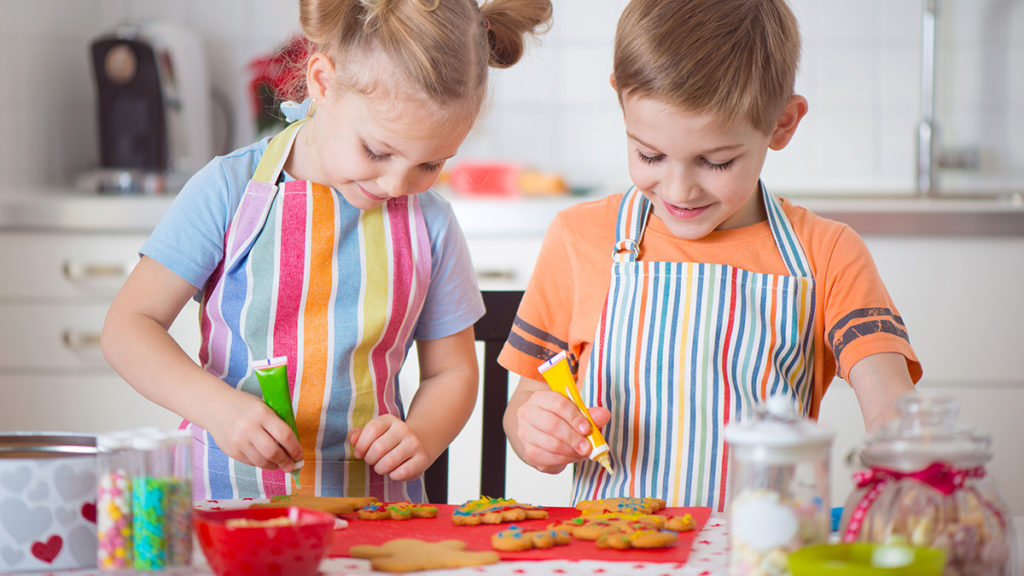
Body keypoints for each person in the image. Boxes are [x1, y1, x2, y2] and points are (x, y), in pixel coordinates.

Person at [102, 0, 553, 501]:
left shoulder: (432, 222)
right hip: (227, 499)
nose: (396, 184)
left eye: (430, 164)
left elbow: (452, 372)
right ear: (322, 82)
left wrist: (422, 434)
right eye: (377, 152)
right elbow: (128, 328)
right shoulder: (228, 189)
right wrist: (219, 409)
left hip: (373, 508)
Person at [499, 0, 921, 511]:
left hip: (759, 555)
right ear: (621, 103)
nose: (679, 189)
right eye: (649, 155)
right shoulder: (579, 237)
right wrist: (538, 435)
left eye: (715, 161)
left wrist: (909, 472)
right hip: (615, 554)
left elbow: (890, 406)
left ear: (783, 124)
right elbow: (524, 404)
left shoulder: (826, 253)